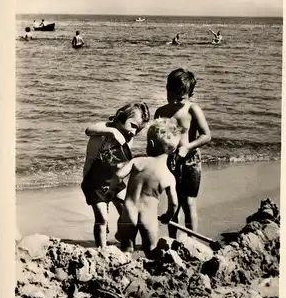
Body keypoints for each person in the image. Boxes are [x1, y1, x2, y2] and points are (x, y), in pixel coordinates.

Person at [81, 102, 150, 248]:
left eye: (138, 130)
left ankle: (121, 233)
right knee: (101, 218)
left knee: (129, 210)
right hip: (94, 183)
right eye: (133, 125)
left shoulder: (128, 139)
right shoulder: (104, 127)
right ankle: (102, 250)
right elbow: (88, 130)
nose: (133, 132)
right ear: (120, 117)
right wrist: (112, 132)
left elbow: (121, 163)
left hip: (114, 181)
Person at [111, 118, 181, 257]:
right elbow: (174, 203)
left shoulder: (137, 161)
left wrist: (112, 191)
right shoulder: (168, 176)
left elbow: (118, 176)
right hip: (149, 217)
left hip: (128, 213)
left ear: (151, 143)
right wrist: (168, 216)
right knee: (150, 249)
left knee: (126, 249)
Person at [154, 68, 211, 238]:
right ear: (166, 89)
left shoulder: (192, 110)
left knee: (188, 202)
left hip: (191, 161)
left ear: (190, 95)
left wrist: (187, 147)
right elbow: (157, 139)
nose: (175, 101)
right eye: (171, 96)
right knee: (174, 203)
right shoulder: (161, 111)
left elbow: (206, 135)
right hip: (170, 161)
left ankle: (191, 240)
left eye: (181, 98)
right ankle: (173, 240)